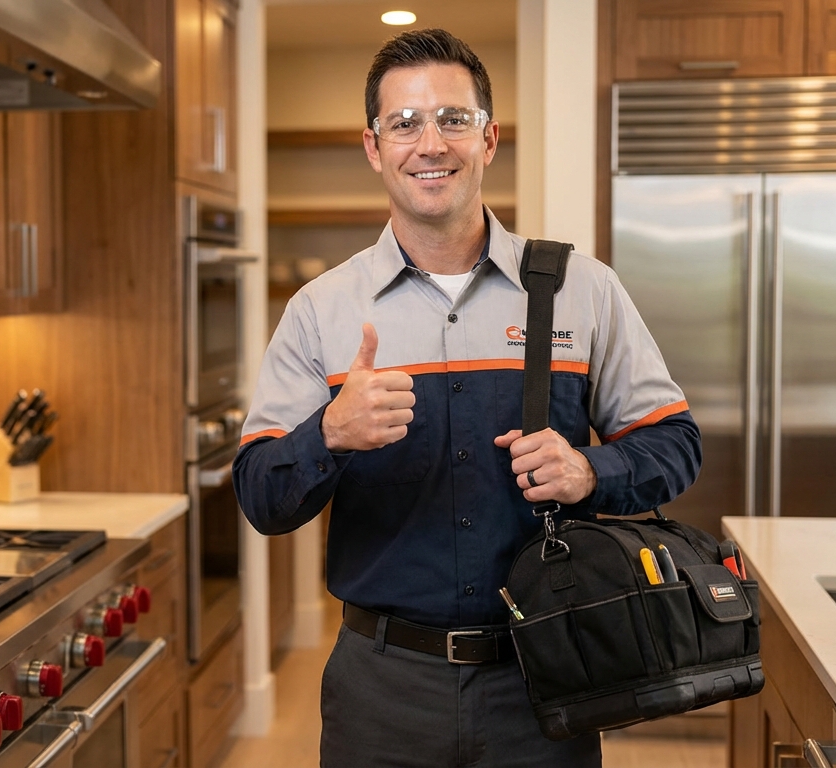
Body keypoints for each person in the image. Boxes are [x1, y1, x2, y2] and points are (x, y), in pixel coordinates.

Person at [232, 28, 701, 768]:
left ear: (489, 138)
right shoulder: (320, 310)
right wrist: (329, 432)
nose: (431, 143)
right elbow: (261, 496)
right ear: (373, 146)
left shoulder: (584, 290)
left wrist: (588, 471)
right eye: (405, 123)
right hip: (380, 693)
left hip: (547, 679)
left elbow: (676, 444)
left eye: (454, 119)